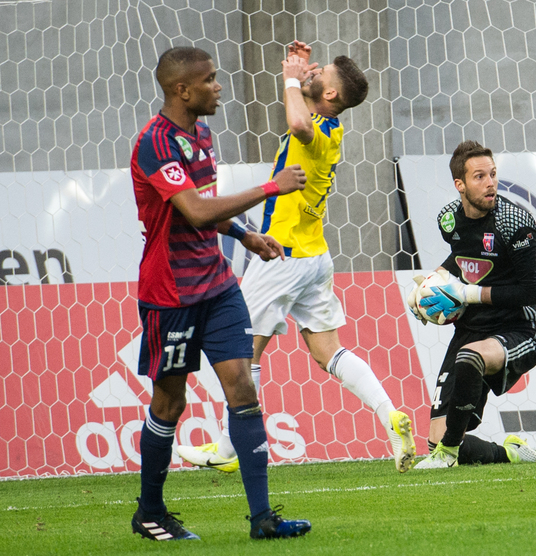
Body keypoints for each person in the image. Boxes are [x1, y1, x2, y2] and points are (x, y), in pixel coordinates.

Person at [175, 41, 417, 474]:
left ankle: (230, 447)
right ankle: (391, 416)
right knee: (329, 353)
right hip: (314, 257)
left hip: (281, 258)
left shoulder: (316, 130)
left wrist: (291, 79)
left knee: (242, 353)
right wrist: (298, 77)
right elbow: (300, 111)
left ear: (330, 95)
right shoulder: (330, 127)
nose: (313, 71)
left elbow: (299, 123)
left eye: (320, 75)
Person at [130, 46, 310, 540]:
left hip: (217, 285)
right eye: (209, 79)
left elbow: (210, 207)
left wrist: (245, 233)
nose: (219, 86)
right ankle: (149, 513)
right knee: (169, 404)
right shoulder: (154, 143)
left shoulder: (202, 134)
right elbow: (193, 210)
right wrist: (270, 188)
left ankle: (263, 519)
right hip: (171, 295)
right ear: (182, 90)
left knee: (242, 389)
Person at [409, 140, 536, 469]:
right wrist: (430, 285)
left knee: (470, 357)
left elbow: (529, 292)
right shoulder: (449, 220)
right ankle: (509, 452)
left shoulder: (515, 223)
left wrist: (467, 294)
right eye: (479, 176)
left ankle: (448, 454)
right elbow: (461, 256)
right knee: (435, 439)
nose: (490, 183)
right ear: (460, 185)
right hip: (471, 328)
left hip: (516, 328)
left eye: (492, 174)